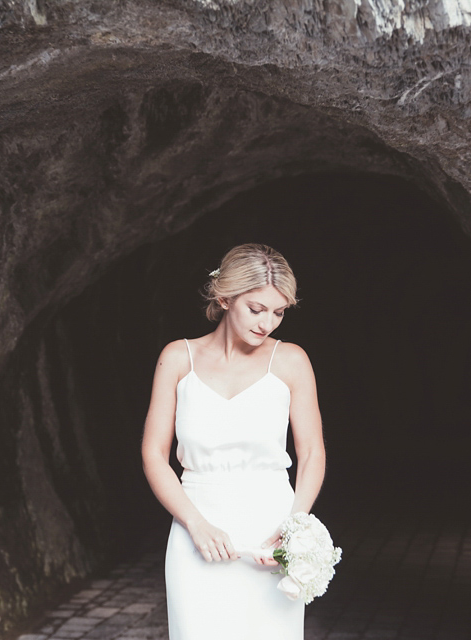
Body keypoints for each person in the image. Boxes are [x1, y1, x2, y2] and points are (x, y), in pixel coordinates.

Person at [141, 243, 326, 640]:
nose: (267, 324)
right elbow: (154, 454)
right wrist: (195, 523)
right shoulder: (177, 358)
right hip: (196, 529)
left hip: (271, 531)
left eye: (278, 312)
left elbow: (312, 453)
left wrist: (294, 525)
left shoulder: (291, 360)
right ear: (224, 297)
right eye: (256, 309)